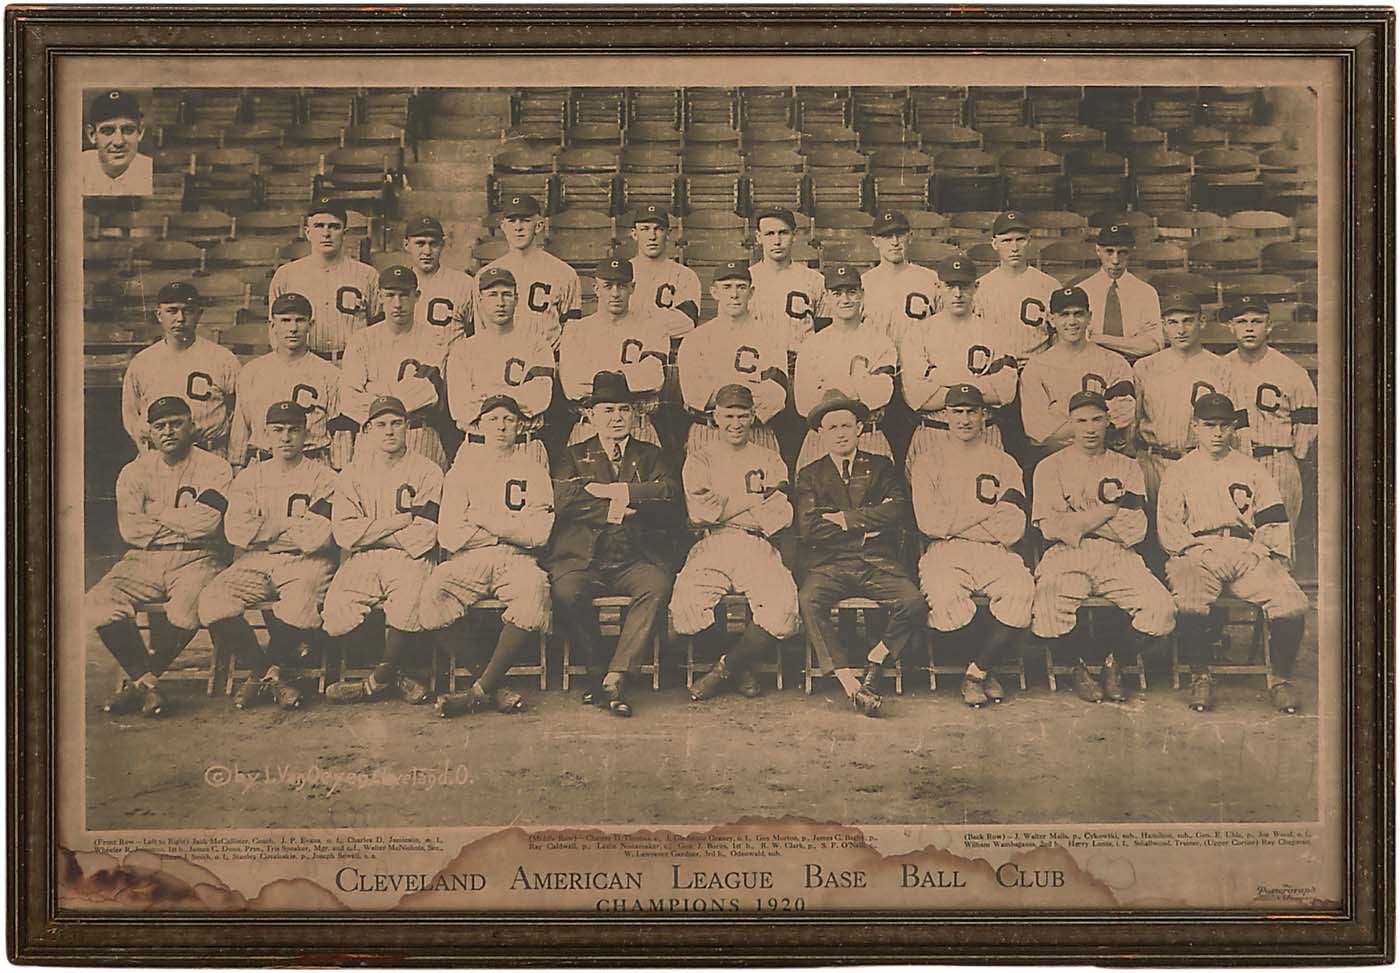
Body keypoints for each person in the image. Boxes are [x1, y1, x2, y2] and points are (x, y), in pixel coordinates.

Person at [1157, 392, 1310, 714]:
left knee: (1293, 602)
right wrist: (1197, 551)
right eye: (1209, 425)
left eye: (1224, 426)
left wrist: (1256, 551)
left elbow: (1273, 518)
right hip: (1198, 552)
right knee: (1189, 599)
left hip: (1245, 549)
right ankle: (1200, 676)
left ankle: (1279, 680)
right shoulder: (1179, 471)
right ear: (1194, 427)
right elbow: (1169, 526)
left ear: (1233, 429)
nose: (1217, 433)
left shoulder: (1252, 469)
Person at [86, 397, 232, 717]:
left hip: (199, 557)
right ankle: (148, 685)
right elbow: (132, 530)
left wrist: (158, 512)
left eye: (176, 423)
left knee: (187, 611)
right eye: (160, 426)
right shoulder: (134, 472)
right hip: (143, 558)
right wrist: (183, 523)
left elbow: (207, 524)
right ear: (149, 432)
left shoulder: (215, 467)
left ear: (191, 426)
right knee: (96, 603)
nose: (168, 431)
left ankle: (140, 685)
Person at [546, 371, 679, 719]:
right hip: (584, 555)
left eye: (623, 410)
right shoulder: (573, 455)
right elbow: (566, 499)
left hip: (635, 555)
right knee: (566, 591)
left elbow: (666, 494)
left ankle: (615, 676)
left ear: (634, 414)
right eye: (607, 410)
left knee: (656, 585)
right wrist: (622, 509)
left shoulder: (650, 454)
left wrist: (611, 490)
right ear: (592, 415)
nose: (616, 417)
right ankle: (597, 669)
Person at [1030, 391, 1176, 704]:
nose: (1090, 428)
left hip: (1117, 555)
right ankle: (1077, 666)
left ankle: (1115, 663)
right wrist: (1108, 512)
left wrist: (1076, 520)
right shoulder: (1049, 467)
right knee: (1045, 608)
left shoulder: (1127, 467)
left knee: (1161, 609)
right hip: (1067, 554)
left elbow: (1135, 530)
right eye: (1081, 420)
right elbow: (1051, 527)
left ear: (1109, 420)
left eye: (1097, 419)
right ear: (1070, 423)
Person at [197, 401, 339, 711]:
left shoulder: (324, 477)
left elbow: (318, 537)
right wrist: (291, 526)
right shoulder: (250, 477)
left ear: (306, 434)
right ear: (266, 434)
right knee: (211, 601)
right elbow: (236, 530)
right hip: (254, 560)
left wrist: (265, 528)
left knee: (300, 601)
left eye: (293, 430)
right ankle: (266, 673)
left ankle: (263, 676)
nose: (286, 437)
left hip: (306, 562)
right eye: (278, 431)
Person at [421, 395, 555, 718]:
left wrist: (484, 520)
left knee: (534, 587)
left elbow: (539, 535)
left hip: (517, 558)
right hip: (470, 558)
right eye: (493, 420)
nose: (501, 426)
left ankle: (476, 692)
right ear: (480, 425)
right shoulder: (462, 470)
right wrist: (509, 529)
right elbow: (450, 534)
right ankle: (493, 685)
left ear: (519, 426)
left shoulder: (533, 469)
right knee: (434, 589)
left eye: (509, 420)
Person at [795, 390, 926, 717]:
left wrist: (843, 520)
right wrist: (869, 525)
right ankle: (851, 684)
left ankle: (877, 656)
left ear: (859, 429)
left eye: (846, 425)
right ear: (820, 434)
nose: (840, 433)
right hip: (830, 565)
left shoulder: (881, 467)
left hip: (877, 563)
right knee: (809, 599)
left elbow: (898, 512)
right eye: (832, 427)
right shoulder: (810, 475)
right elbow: (810, 529)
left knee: (913, 602)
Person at [674, 384, 800, 702]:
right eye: (728, 415)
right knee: (688, 605)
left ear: (753, 416)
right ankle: (741, 668)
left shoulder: (768, 458)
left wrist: (724, 505)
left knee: (783, 606)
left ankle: (723, 669)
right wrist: (752, 500)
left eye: (743, 416)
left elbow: (781, 513)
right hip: (712, 542)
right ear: (715, 417)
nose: (735, 423)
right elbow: (701, 512)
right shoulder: (699, 459)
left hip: (755, 543)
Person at [910, 385, 1034, 708]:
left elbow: (1014, 527)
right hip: (945, 552)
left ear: (983, 415)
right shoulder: (927, 462)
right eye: (957, 412)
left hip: (994, 549)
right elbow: (929, 523)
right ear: (946, 415)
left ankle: (977, 671)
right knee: (945, 596)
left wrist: (955, 521)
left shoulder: (1004, 463)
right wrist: (986, 514)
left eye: (971, 412)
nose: (964, 419)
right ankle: (982, 668)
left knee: (1021, 589)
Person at [321, 396, 443, 704]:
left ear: (408, 427)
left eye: (396, 423)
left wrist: (371, 531)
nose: (389, 431)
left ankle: (377, 681)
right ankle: (396, 675)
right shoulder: (353, 472)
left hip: (410, 557)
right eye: (381, 425)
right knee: (336, 612)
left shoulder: (428, 471)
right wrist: (399, 522)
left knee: (408, 603)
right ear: (367, 431)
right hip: (364, 557)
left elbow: (425, 534)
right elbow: (345, 532)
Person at [1133, 290, 1251, 510]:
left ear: (1202, 322)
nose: (1180, 330)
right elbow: (1132, 424)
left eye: (1188, 321)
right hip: (1153, 463)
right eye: (1173, 322)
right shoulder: (1145, 367)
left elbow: (1240, 428)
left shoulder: (1223, 368)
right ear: (1163, 325)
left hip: (1203, 464)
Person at [899, 254, 1017, 472]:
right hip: (934, 432)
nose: (958, 294)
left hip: (985, 433)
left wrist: (938, 377)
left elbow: (1005, 392)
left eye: (964, 286)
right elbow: (916, 396)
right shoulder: (918, 333)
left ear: (976, 286)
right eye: (950, 286)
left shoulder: (996, 332)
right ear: (938, 287)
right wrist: (978, 384)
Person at [1223, 293, 1318, 533]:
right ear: (1230, 327)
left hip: (1277, 461)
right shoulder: (1219, 368)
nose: (1249, 329)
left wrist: (1290, 456)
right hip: (1230, 462)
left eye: (1256, 322)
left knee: (1280, 544)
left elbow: (1306, 425)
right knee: (1235, 542)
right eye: (1242, 322)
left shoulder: (1291, 371)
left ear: (1269, 327)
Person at [675, 260, 790, 458]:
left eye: (741, 287)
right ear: (714, 292)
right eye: (727, 287)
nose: (734, 294)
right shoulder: (696, 338)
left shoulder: (771, 337)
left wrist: (720, 387)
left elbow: (776, 396)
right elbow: (694, 396)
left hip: (757, 432)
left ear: (752, 292)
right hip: (708, 431)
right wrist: (750, 387)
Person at [340, 265, 449, 469]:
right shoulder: (362, 340)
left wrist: (376, 392)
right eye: (390, 295)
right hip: (372, 441)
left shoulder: (434, 338)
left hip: (419, 436)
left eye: (404, 295)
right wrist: (403, 396)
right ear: (379, 297)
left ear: (417, 296)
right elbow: (348, 401)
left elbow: (430, 393)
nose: (397, 303)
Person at [791, 263, 898, 471]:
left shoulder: (880, 342)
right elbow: (804, 404)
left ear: (862, 294)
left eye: (851, 292)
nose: (845, 299)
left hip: (868, 435)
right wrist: (859, 383)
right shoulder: (812, 344)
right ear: (827, 297)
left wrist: (828, 389)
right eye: (837, 293)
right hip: (821, 439)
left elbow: (880, 396)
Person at [558, 256, 670, 447]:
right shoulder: (576, 330)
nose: (615, 293)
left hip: (638, 426)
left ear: (632, 288)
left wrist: (598, 376)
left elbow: (654, 378)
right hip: (589, 427)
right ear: (596, 288)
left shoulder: (652, 328)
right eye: (608, 286)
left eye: (622, 285)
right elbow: (572, 386)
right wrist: (631, 377)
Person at [121, 281, 241, 456]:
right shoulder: (142, 362)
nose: (180, 318)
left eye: (188, 311)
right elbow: (131, 416)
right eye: (172, 310)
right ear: (159, 315)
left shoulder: (223, 359)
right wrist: (146, 452)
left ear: (199, 315)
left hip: (209, 452)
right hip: (159, 457)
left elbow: (239, 413)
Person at [445, 267, 553, 458]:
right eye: (493, 295)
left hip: (525, 445)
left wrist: (485, 395)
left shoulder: (538, 345)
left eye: (507, 295)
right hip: (478, 446)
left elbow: (539, 399)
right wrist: (516, 396)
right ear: (480, 300)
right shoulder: (463, 350)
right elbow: (460, 408)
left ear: (517, 299)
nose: (501, 302)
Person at [1020, 285, 1136, 462]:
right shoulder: (1036, 368)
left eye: (1078, 314)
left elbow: (1125, 412)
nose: (1072, 321)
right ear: (1051, 319)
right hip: (1056, 462)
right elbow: (1037, 431)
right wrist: (1095, 421)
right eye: (1064, 315)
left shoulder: (1114, 362)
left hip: (1107, 460)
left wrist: (1060, 415)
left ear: (1089, 317)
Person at [227, 293, 343, 469]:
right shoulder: (252, 372)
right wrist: (237, 465)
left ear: (310, 325)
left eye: (300, 320)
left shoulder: (330, 374)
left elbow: (340, 433)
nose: (293, 328)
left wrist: (339, 470)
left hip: (313, 464)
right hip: (263, 463)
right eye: (286, 320)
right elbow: (240, 429)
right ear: (272, 325)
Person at [268, 198, 380, 360]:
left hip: (352, 362)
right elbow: (275, 330)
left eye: (334, 227)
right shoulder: (286, 275)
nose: (326, 233)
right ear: (307, 232)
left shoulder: (368, 276)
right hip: (305, 363)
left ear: (345, 233)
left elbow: (378, 327)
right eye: (319, 226)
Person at [473, 193, 580, 352]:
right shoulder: (486, 274)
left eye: (525, 220)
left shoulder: (564, 273)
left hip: (546, 361)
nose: (518, 227)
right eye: (512, 221)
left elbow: (572, 331)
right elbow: (481, 328)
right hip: (500, 357)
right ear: (503, 226)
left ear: (539, 225)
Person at [973, 211, 1061, 366]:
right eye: (1006, 241)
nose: (1014, 247)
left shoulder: (1049, 286)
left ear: (1029, 241)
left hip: (1038, 366)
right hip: (995, 368)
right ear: (994, 244)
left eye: (1020, 240)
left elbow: (1059, 336)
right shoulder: (981, 287)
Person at [1077, 222, 1165, 359]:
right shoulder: (1082, 291)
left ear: (1131, 252)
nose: (1115, 260)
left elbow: (1152, 345)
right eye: (1109, 251)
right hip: (1090, 364)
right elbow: (1075, 343)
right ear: (1098, 250)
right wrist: (1130, 343)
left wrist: (1097, 338)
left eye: (1122, 252)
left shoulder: (1146, 292)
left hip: (1133, 365)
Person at [860, 208, 945, 348]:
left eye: (900, 235)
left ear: (910, 237)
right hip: (877, 364)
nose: (895, 242)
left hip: (919, 363)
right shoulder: (864, 284)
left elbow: (944, 328)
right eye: (887, 236)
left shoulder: (931, 280)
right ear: (875, 241)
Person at [747, 206, 826, 352]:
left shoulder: (814, 280)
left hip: (802, 362)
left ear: (794, 235)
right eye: (770, 234)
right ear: (759, 237)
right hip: (758, 362)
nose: (777, 241)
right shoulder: (745, 280)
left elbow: (826, 332)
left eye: (783, 233)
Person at [627, 204, 702, 344]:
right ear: (634, 234)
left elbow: (687, 322)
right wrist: (661, 318)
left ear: (668, 233)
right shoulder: (622, 271)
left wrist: (635, 320)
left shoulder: (685, 276)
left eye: (659, 229)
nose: (652, 236)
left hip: (669, 353)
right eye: (645, 229)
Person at [401, 215, 475, 347]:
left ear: (442, 245)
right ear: (406, 245)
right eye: (420, 243)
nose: (427, 251)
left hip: (450, 364)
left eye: (433, 244)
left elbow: (477, 332)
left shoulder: (464, 284)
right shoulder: (397, 284)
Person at [82, 89, 153, 196]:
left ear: (140, 132)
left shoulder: (150, 172)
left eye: (128, 130)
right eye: (107, 131)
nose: (118, 142)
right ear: (92, 134)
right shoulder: (76, 169)